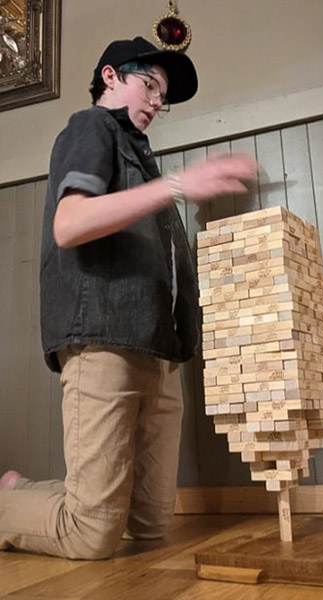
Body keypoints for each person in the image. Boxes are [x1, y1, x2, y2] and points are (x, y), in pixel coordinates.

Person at [0, 36, 257, 560]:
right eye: (150, 84)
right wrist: (182, 186)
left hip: (160, 350)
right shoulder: (90, 126)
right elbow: (69, 226)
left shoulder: (145, 162)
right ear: (112, 76)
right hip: (105, 341)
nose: (158, 100)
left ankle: (20, 493)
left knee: (152, 529)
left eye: (164, 93)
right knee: (90, 536)